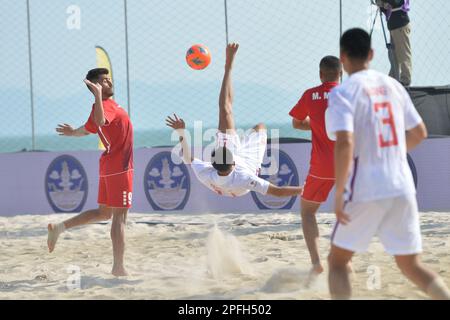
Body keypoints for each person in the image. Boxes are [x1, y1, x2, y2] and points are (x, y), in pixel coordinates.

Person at [325, 28, 450, 300]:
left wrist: (340, 191)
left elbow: (344, 143)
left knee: (337, 262)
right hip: (402, 186)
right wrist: (390, 150)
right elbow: (420, 134)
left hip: (366, 187)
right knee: (411, 265)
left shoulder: (342, 93)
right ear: (371, 54)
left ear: (342, 57)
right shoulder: (393, 86)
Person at [166, 43, 303, 199]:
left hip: (225, 177)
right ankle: (228, 67)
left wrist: (181, 132)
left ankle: (228, 69)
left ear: (212, 164)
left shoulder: (206, 173)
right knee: (260, 127)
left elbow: (187, 157)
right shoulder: (244, 177)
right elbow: (277, 192)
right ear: (233, 164)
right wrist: (304, 189)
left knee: (225, 110)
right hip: (246, 170)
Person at [48, 68, 134, 277]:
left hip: (108, 165)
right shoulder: (103, 105)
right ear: (95, 86)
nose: (109, 83)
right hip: (119, 168)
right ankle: (118, 267)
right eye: (104, 81)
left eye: (109, 79)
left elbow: (88, 129)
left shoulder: (101, 107)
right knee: (119, 218)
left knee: (104, 213)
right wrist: (97, 95)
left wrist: (71, 133)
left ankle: (59, 228)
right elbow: (101, 122)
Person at [289, 56, 341, 277]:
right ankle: (342, 260)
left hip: (321, 167)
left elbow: (297, 122)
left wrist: (317, 125)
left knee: (308, 213)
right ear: (341, 74)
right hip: (348, 165)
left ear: (321, 74)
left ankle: (317, 262)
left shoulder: (310, 95)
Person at [375, 0, 412, 86]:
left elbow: (396, 2)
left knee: (403, 54)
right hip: (394, 26)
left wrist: (384, 3)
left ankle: (405, 80)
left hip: (400, 24)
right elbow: (385, 7)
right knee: (393, 56)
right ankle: (392, 80)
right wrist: (382, 4)